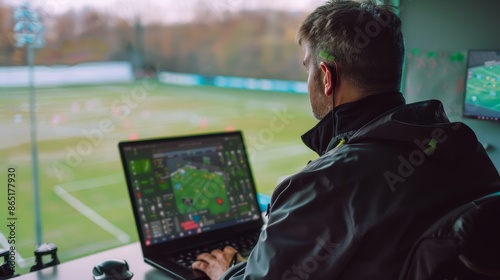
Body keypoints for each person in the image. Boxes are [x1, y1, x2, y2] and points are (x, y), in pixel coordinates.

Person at [192, 0, 500, 279]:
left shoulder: (324, 185)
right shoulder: (465, 147)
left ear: (327, 77)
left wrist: (227, 273)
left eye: (307, 68)